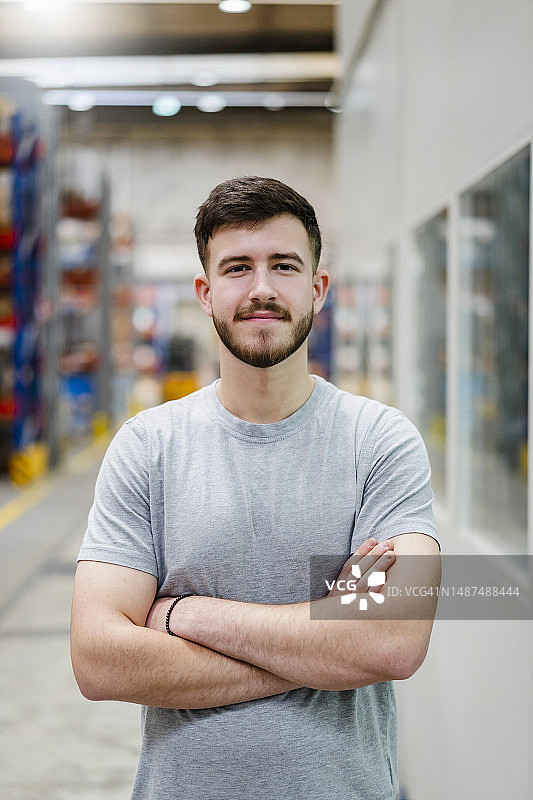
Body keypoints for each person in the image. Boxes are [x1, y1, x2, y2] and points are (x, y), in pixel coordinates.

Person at [71, 176, 441, 800]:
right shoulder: (148, 446)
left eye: (284, 266)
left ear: (318, 288)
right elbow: (98, 660)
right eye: (238, 267)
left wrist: (185, 615)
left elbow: (392, 642)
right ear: (205, 293)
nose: (262, 288)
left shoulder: (379, 442)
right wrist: (325, 649)